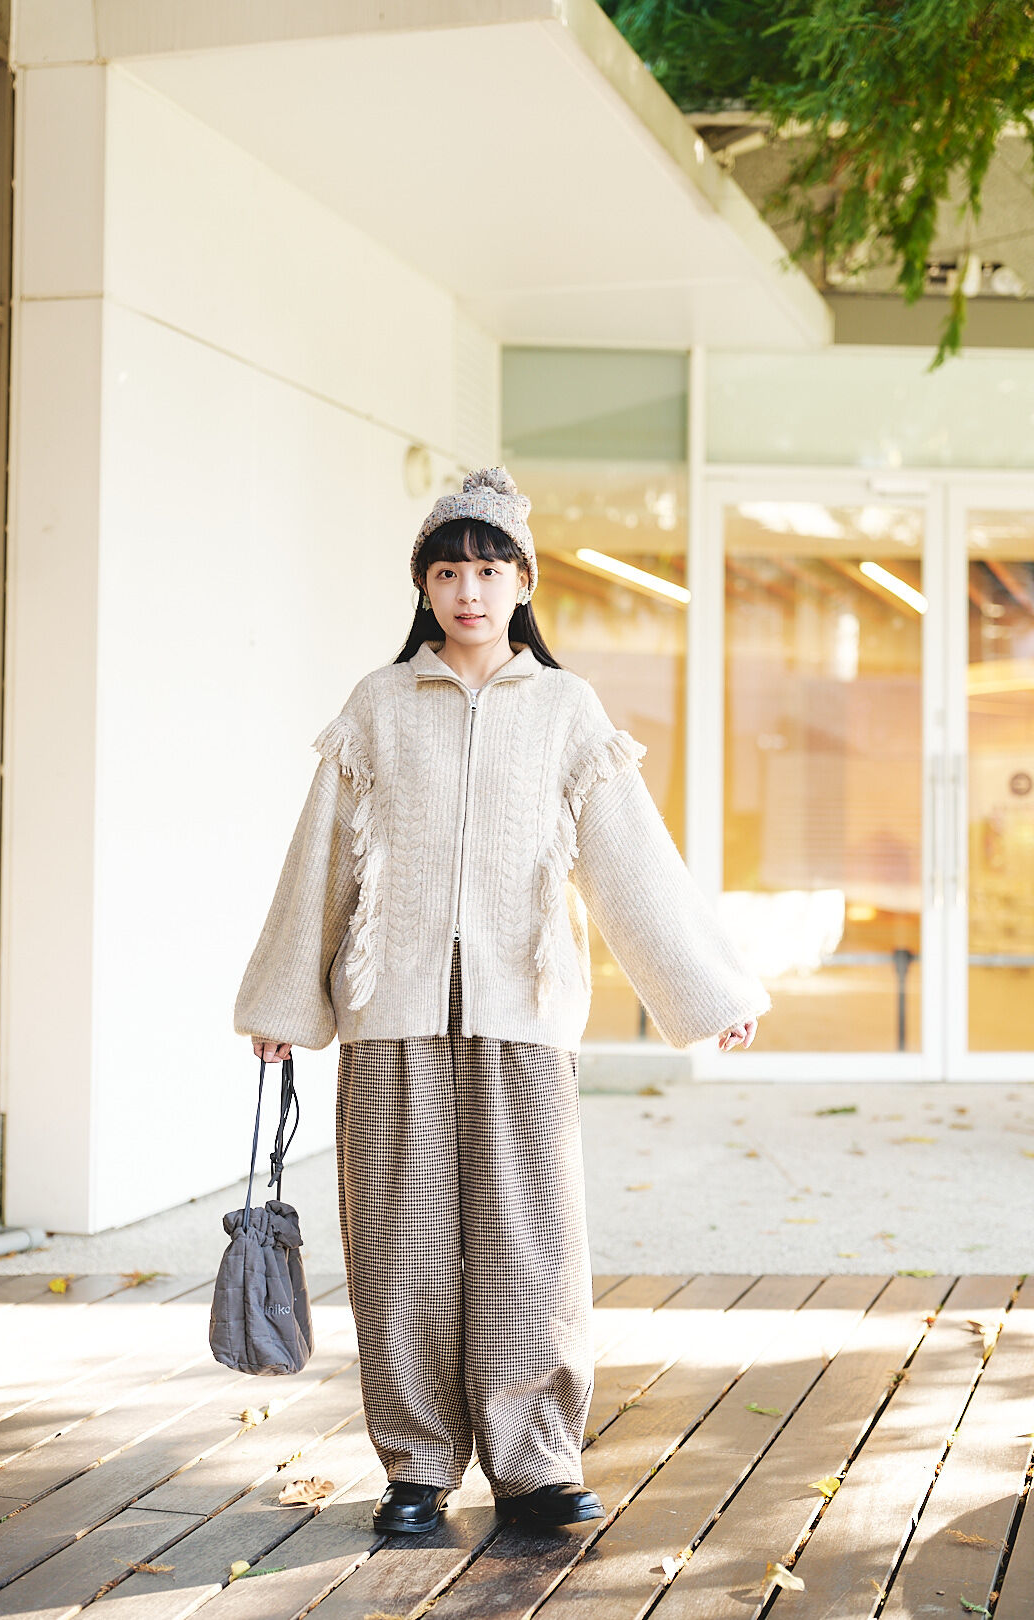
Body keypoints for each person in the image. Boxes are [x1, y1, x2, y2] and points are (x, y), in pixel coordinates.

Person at [233, 466, 771, 1536]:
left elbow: (631, 862)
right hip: (391, 1021)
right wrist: (285, 1005)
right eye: (447, 572)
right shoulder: (377, 707)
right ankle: (417, 1468)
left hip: (524, 1020)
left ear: (523, 581)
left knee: (532, 1246)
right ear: (424, 588)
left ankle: (535, 1468)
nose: (468, 590)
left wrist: (706, 992)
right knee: (401, 1248)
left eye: (487, 569)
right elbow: (320, 863)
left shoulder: (567, 710)